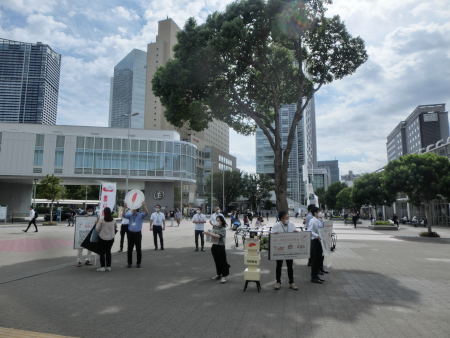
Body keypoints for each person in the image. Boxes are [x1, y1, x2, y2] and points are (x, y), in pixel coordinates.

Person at [271, 211, 299, 291]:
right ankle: (278, 282)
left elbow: (295, 232)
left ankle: (291, 282)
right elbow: (271, 234)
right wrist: (274, 234)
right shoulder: (276, 225)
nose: (288, 219)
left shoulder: (291, 224)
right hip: (279, 250)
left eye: (288, 217)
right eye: (286, 217)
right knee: (279, 266)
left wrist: (296, 232)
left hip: (289, 249)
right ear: (282, 219)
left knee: (290, 266)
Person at [203, 215, 230, 283]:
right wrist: (208, 234)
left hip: (221, 246)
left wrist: (209, 233)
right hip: (215, 246)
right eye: (216, 220)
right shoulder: (215, 227)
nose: (217, 221)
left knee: (222, 261)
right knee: (216, 261)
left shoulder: (223, 229)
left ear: (221, 221)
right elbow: (212, 234)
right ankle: (218, 274)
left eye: (218, 220)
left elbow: (218, 236)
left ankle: (224, 276)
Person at [122, 201, 149, 268]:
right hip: (130, 234)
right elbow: (123, 215)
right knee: (129, 249)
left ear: (136, 209)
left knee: (138, 249)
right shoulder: (130, 215)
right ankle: (129, 263)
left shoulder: (140, 214)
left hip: (137, 234)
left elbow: (147, 213)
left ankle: (138, 263)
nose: (132, 209)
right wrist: (124, 208)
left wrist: (144, 206)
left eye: (133, 208)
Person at [95, 207, 117, 272]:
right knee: (108, 252)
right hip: (111, 238)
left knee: (102, 253)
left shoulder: (102, 220)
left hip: (102, 238)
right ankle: (108, 266)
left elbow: (97, 229)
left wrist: (97, 223)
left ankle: (102, 267)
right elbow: (116, 227)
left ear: (104, 212)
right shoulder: (113, 220)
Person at [307, 206, 325, 284]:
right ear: (315, 213)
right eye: (318, 212)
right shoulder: (312, 221)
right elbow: (309, 231)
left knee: (319, 258)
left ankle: (316, 275)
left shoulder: (318, 220)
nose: (320, 213)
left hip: (319, 241)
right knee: (315, 259)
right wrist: (317, 236)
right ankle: (313, 277)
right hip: (315, 241)